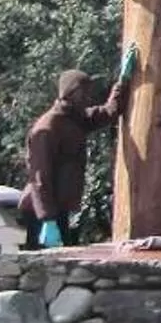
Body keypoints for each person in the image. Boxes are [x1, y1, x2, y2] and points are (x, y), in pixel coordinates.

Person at [21, 68, 128, 249]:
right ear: (70, 93)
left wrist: (122, 83)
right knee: (46, 268)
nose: (87, 97)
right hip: (41, 212)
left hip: (59, 209)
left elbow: (106, 113)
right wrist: (47, 218)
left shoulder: (74, 119)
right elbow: (39, 177)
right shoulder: (47, 128)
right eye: (83, 92)